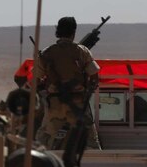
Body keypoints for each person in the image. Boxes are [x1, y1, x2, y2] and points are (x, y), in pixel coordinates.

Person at [35, 16, 101, 150]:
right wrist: (87, 90)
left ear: (58, 31)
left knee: (43, 138)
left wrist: (45, 90)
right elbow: (94, 78)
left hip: (55, 105)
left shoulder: (47, 53)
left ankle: (35, 163)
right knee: (91, 141)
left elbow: (35, 80)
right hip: (78, 104)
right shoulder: (82, 51)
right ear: (73, 32)